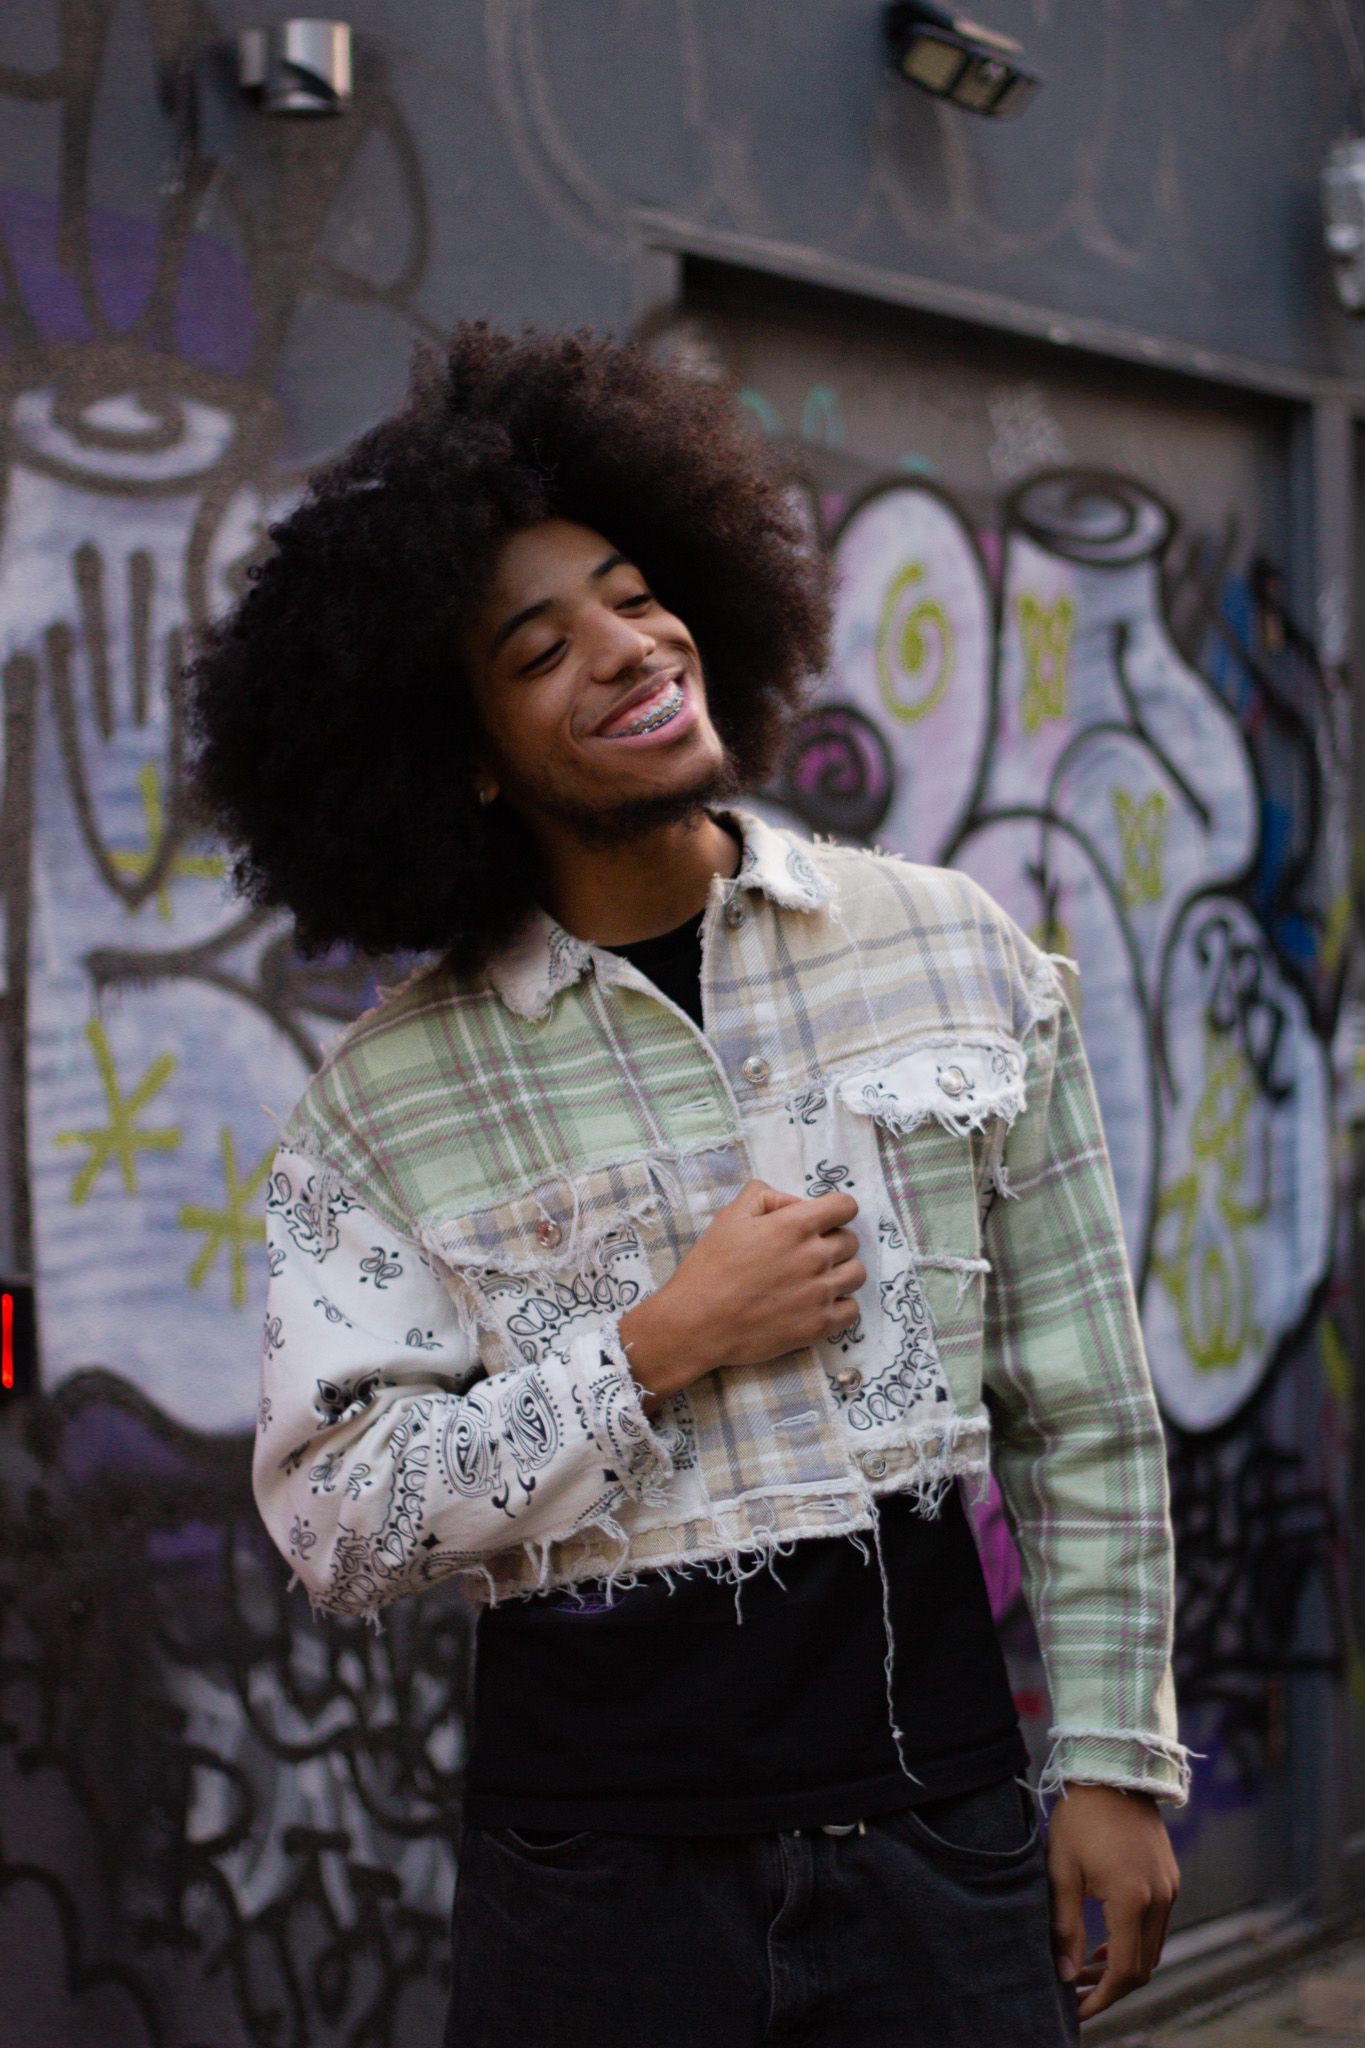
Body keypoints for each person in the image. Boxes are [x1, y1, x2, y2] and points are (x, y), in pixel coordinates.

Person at [185, 323, 1185, 2048]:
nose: (628, 649)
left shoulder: (949, 951)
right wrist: (654, 1345)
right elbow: (339, 1526)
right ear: (467, 754)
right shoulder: (383, 1103)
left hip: (936, 1839)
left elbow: (1081, 1402)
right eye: (539, 649)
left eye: (637, 596)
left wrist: (1110, 1761)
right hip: (594, 1900)